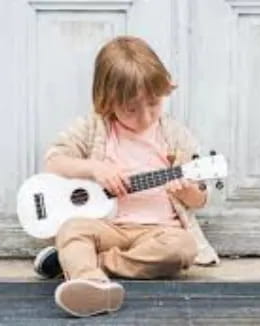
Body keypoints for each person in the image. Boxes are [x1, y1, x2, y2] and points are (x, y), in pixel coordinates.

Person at [33, 35, 219, 317]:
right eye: (131, 109)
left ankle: (89, 269)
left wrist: (185, 192)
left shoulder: (175, 136)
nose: (144, 117)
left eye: (154, 104)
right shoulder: (94, 128)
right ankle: (91, 284)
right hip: (107, 228)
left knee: (183, 248)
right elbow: (54, 162)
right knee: (71, 229)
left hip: (157, 232)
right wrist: (94, 169)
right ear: (107, 102)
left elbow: (200, 198)